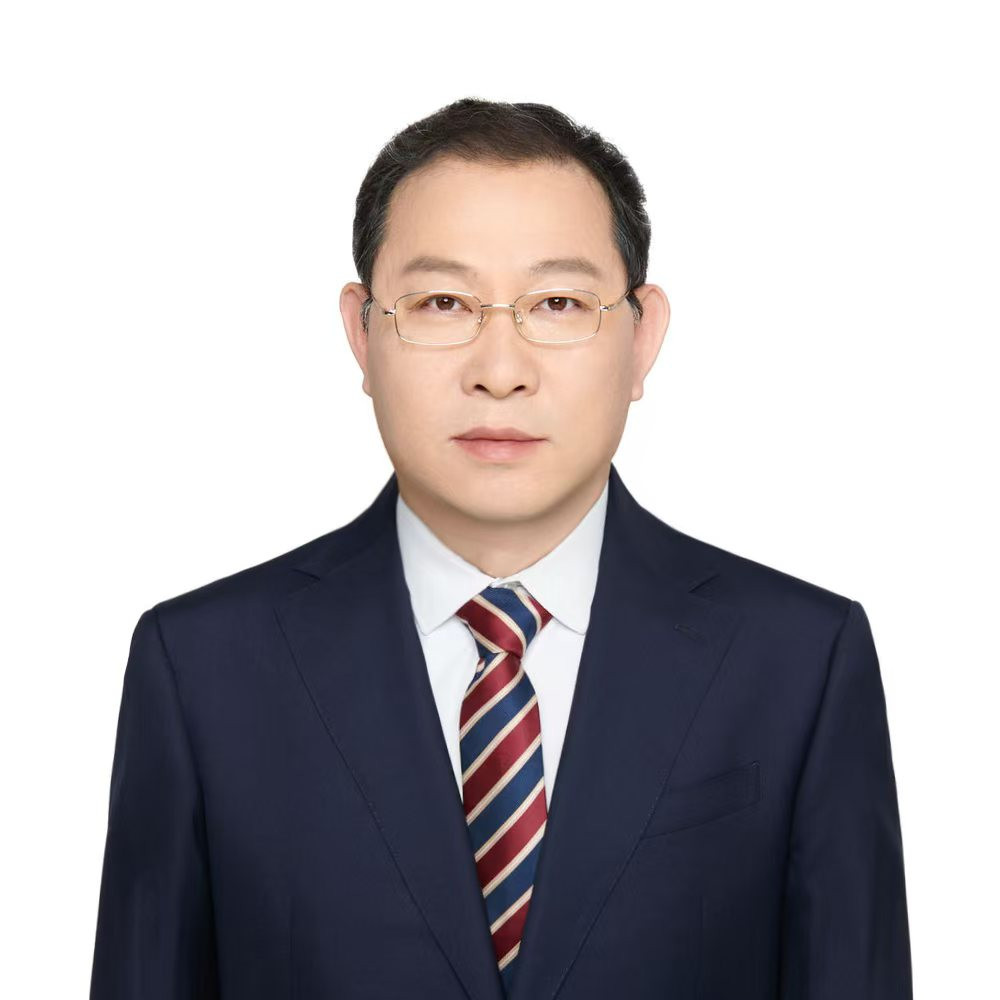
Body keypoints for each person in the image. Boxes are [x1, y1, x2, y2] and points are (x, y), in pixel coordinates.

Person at [89, 97, 913, 999]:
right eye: (442, 303)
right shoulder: (203, 670)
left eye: (558, 303)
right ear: (362, 333)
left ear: (642, 337)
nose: (500, 370)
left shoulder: (799, 662)